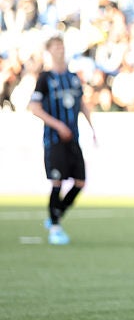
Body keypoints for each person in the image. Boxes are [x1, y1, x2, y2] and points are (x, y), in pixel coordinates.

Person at [27, 35, 97, 245]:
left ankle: (55, 214)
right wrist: (57, 125)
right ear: (49, 51)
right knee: (57, 181)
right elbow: (34, 107)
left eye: (62, 46)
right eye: (55, 47)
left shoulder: (73, 77)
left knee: (80, 182)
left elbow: (82, 103)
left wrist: (92, 127)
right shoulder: (45, 78)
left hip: (73, 138)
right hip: (54, 139)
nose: (60, 50)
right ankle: (55, 228)